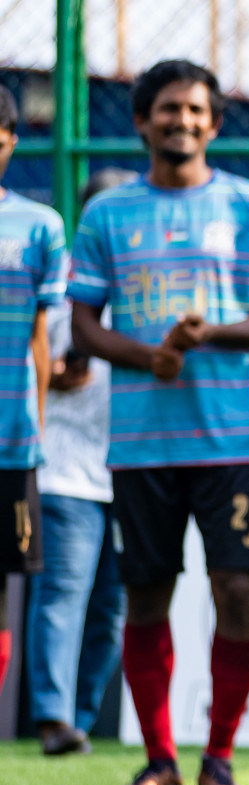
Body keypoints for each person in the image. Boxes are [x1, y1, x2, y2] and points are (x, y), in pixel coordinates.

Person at [69, 61, 249, 785]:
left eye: (193, 110)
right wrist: (143, 354)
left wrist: (210, 334)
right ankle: (160, 761)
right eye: (166, 110)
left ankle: (218, 759)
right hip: (142, 445)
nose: (180, 121)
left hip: (236, 441)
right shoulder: (107, 216)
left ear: (215, 123)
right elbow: (84, 327)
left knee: (238, 592)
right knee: (146, 597)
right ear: (142, 121)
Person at [25, 168, 135, 755]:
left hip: (131, 467)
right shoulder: (59, 282)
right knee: (64, 590)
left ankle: (83, 719)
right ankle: (52, 718)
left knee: (113, 604)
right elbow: (30, 351)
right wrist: (52, 379)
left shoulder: (146, 285)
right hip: (68, 467)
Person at [0, 84, 63, 721]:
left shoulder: (39, 226)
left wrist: (36, 426)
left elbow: (43, 335)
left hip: (9, 439)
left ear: (11, 142)